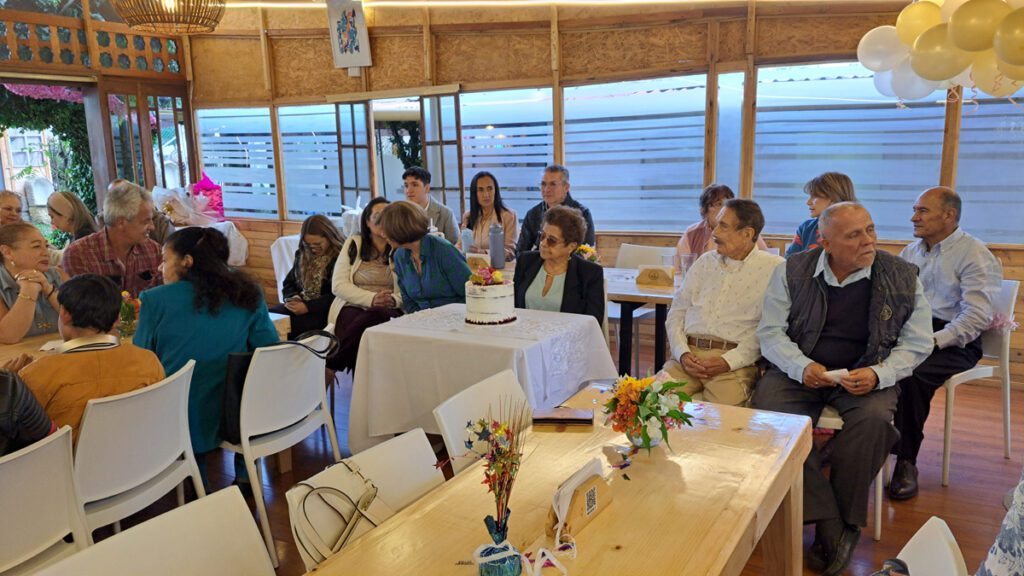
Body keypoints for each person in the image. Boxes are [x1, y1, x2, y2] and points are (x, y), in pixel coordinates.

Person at [752, 202, 933, 576]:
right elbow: (770, 332)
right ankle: (834, 522)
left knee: (873, 423)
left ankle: (833, 525)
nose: (868, 241)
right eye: (854, 235)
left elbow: (917, 343)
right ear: (826, 242)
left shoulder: (902, 275)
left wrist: (879, 374)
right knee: (770, 417)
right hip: (801, 371)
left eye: (870, 229)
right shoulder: (792, 270)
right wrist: (802, 367)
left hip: (867, 372)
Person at [134, 227, 278, 484]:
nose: (160, 267)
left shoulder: (155, 300)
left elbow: (142, 356)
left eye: (165, 259)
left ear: (187, 261)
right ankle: (245, 473)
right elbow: (268, 347)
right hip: (237, 408)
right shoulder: (248, 292)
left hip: (181, 408)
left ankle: (197, 481)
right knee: (247, 377)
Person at [888, 187, 1002, 501]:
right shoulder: (911, 252)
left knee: (911, 375)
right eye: (915, 209)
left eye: (922, 210)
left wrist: (933, 342)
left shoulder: (974, 253)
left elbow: (976, 317)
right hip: (914, 331)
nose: (914, 217)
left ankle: (906, 461)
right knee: (860, 356)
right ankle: (854, 439)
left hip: (956, 341)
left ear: (949, 215)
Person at [657, 199, 782, 406]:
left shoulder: (774, 269)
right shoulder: (704, 262)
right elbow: (676, 313)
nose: (714, 233)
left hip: (733, 364)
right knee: (649, 406)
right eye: (716, 225)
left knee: (720, 421)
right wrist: (682, 353)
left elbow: (769, 330)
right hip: (687, 359)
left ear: (747, 233)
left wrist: (727, 361)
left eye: (723, 226)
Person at [15, 274, 165, 441]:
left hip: (67, 457)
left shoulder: (37, 374)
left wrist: (9, 383)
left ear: (64, 314)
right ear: (117, 319)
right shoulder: (148, 361)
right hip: (141, 451)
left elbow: (17, 432)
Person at [328, 197, 403, 373]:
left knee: (375, 314)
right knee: (353, 322)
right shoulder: (354, 243)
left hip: (389, 307)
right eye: (377, 216)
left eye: (387, 216)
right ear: (367, 222)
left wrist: (394, 300)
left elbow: (410, 289)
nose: (383, 221)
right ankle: (355, 379)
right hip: (353, 303)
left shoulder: (400, 247)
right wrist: (372, 298)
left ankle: (330, 366)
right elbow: (338, 285)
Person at [62, 180, 162, 297]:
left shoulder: (154, 250)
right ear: (121, 222)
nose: (152, 227)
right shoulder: (78, 255)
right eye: (145, 222)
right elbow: (82, 305)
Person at [513, 205, 604, 328]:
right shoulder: (526, 261)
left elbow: (593, 322)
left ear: (571, 246)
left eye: (552, 240)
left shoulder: (589, 273)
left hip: (568, 337)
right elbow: (512, 306)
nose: (543, 243)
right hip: (523, 334)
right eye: (542, 236)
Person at [378, 200, 471, 313]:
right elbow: (407, 299)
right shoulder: (399, 256)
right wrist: (420, 317)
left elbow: (470, 293)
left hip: (456, 315)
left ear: (401, 228)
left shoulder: (443, 250)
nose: (382, 234)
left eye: (386, 229)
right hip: (421, 317)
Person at [269, 215, 344, 339]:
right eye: (308, 244)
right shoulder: (302, 254)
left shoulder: (340, 258)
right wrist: (293, 297)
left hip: (323, 310)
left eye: (317, 244)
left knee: (293, 326)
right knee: (270, 317)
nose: (313, 249)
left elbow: (338, 294)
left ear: (330, 238)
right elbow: (289, 282)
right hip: (301, 304)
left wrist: (308, 307)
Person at [0, 223, 68, 343]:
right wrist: (29, 289)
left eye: (46, 246)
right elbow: (8, 336)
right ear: (7, 252)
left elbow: (85, 322)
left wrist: (49, 289)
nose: (46, 253)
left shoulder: (59, 275)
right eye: (36, 246)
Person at [674, 184, 768, 271]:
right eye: (718, 204)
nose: (724, 208)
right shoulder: (692, 233)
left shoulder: (744, 232)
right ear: (704, 209)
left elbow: (764, 263)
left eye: (727, 203)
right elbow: (681, 268)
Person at [515, 165, 596, 256]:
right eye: (543, 184)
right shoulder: (533, 214)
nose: (546, 189)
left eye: (553, 184)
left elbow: (586, 253)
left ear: (566, 187)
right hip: (539, 263)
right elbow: (520, 253)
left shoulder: (582, 214)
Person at [785, 172, 857, 258]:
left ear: (833, 198)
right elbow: (789, 261)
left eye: (814, 196)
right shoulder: (806, 228)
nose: (808, 202)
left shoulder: (857, 229)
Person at [460, 171, 518, 260]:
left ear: (495, 191)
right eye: (481, 190)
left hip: (498, 267)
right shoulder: (468, 216)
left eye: (490, 188)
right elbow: (460, 245)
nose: (486, 194)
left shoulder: (509, 216)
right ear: (474, 193)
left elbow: (510, 252)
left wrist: (484, 253)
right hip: (471, 265)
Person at [0, 368, 55, 456]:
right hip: (44, 457)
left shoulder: (11, 386)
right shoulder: (11, 383)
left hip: (29, 457)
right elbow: (54, 438)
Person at [106, 179, 176, 245]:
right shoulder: (103, 223)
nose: (152, 227)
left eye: (127, 195)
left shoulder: (161, 223)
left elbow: (171, 250)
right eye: (114, 198)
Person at [401, 166, 459, 244]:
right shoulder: (401, 214)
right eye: (406, 185)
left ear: (427, 188)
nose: (408, 190)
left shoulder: (446, 214)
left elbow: (455, 247)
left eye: (415, 185)